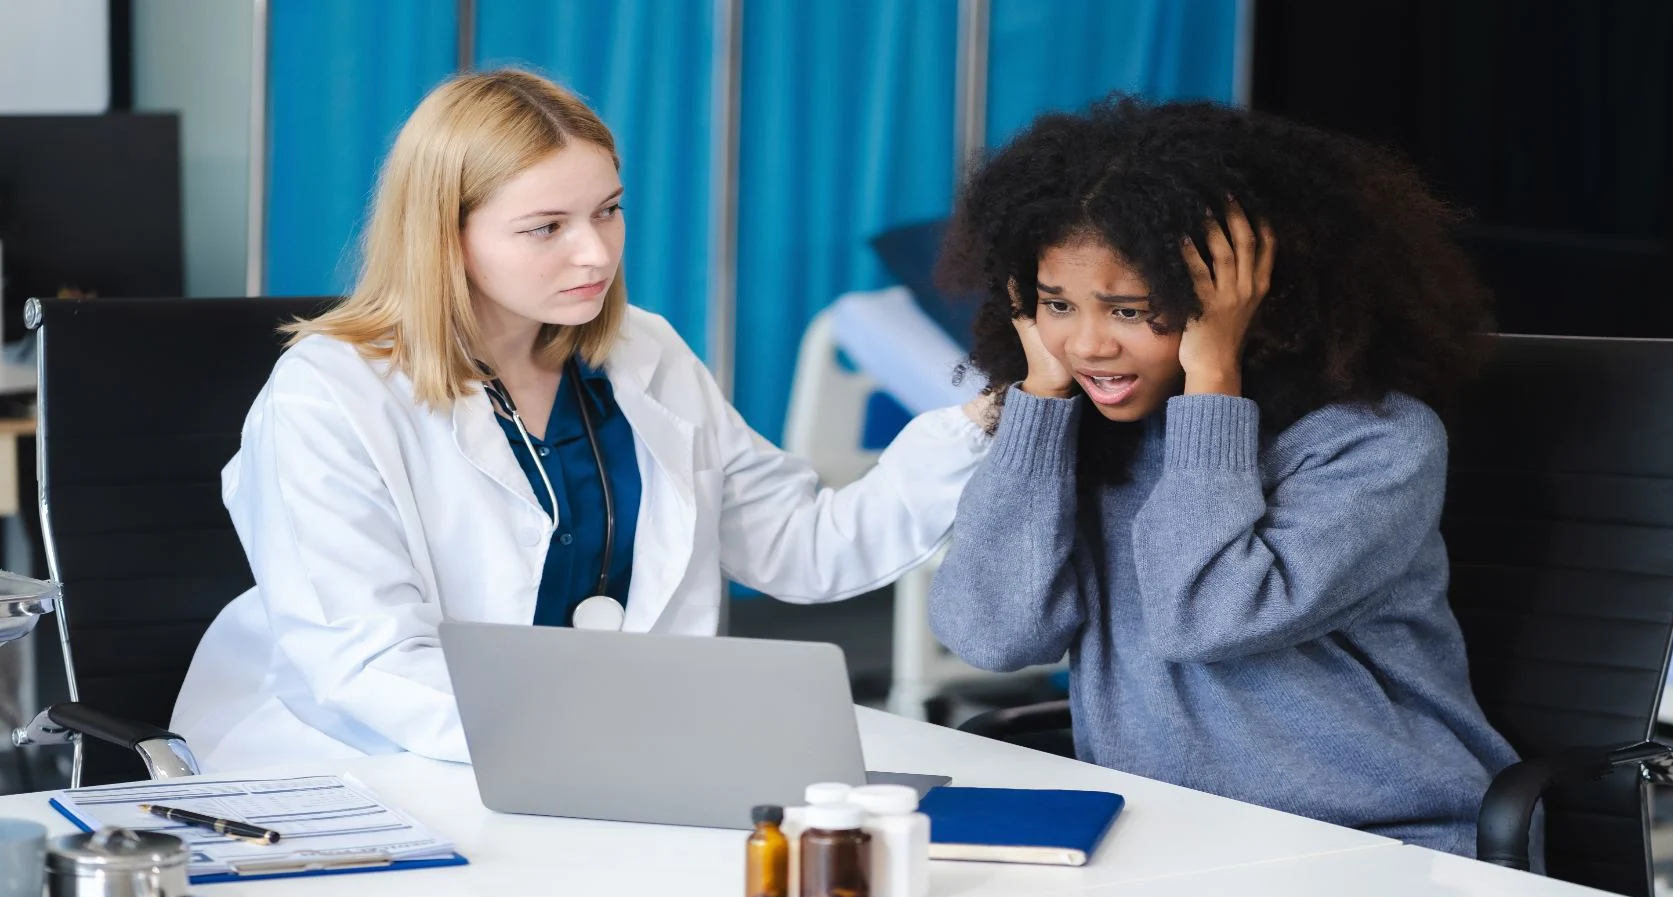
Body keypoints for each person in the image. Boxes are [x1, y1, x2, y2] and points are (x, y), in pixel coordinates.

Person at [171, 69, 990, 770]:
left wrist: (982, 424)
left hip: (613, 763)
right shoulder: (329, 394)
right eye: (546, 228)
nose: (596, 253)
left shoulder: (644, 354)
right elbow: (368, 667)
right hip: (381, 765)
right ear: (445, 239)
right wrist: (602, 741)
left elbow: (801, 547)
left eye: (607, 210)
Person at [928, 97, 1516, 856]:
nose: (1087, 343)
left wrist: (1211, 380)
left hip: (1374, 842)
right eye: (1057, 305)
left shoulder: (1376, 444)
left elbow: (1207, 619)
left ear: (1241, 308)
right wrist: (1038, 399)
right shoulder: (1085, 439)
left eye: (1132, 310)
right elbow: (993, 633)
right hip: (1161, 841)